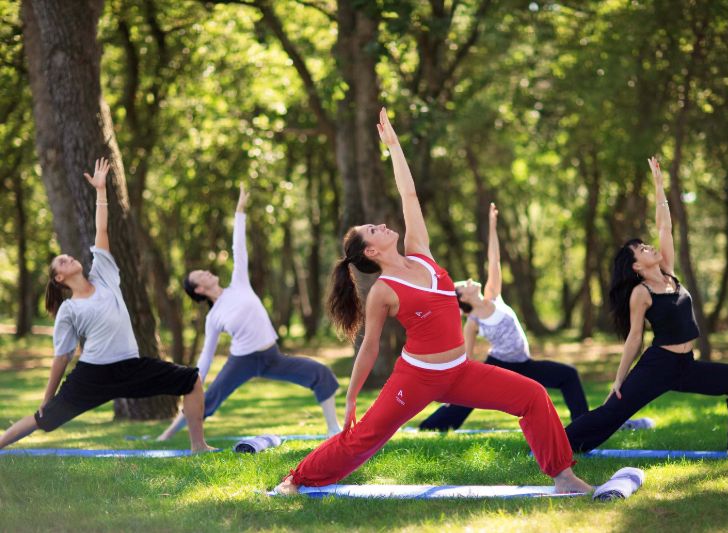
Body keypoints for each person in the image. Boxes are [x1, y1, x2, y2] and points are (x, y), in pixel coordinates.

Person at [274, 109, 592, 494]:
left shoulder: (420, 252)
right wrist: (352, 397)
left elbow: (409, 195)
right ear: (371, 251)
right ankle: (297, 478)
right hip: (416, 378)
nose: (382, 225)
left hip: (460, 370)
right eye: (374, 229)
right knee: (364, 439)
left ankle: (564, 477)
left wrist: (394, 147)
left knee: (533, 395)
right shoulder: (383, 291)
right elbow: (370, 347)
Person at [0, 158, 213, 452]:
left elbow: (102, 231)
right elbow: (61, 357)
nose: (69, 258)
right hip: (93, 375)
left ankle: (198, 446)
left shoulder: (105, 275)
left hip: (131, 366)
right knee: (44, 420)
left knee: (191, 380)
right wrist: (47, 399)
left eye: (67, 256)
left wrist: (100, 190)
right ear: (60, 277)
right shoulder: (69, 310)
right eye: (62, 261)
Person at [565, 157, 728, 454]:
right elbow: (635, 337)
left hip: (686, 366)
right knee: (613, 412)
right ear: (636, 266)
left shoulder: (669, 274)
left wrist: (659, 185)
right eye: (642, 249)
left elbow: (665, 228)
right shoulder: (642, 292)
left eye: (646, 245)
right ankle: (556, 444)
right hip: (657, 366)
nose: (649, 247)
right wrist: (619, 380)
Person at [157, 184, 340, 441]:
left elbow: (238, 248)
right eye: (201, 275)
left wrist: (240, 211)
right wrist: (193, 380)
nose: (207, 271)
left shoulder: (239, 282)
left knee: (319, 373)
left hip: (271, 355)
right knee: (208, 400)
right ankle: (165, 436)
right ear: (199, 288)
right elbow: (206, 356)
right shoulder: (214, 317)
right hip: (241, 361)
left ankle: (334, 429)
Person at [418, 203, 590, 431]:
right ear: (463, 299)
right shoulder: (473, 322)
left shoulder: (493, 296)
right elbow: (465, 359)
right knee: (470, 395)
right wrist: (455, 388)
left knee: (568, 376)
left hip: (524, 364)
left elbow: (495, 261)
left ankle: (584, 425)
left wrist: (492, 226)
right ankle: (430, 427)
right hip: (499, 365)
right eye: (464, 285)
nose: (470, 281)